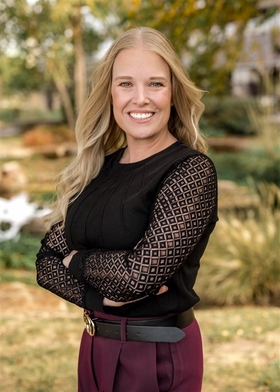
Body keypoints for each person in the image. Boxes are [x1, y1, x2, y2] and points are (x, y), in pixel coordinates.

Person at [36, 26, 218, 392]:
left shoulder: (190, 171)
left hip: (158, 354)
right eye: (125, 84)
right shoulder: (98, 170)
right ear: (109, 93)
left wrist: (77, 260)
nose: (141, 99)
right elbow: (44, 263)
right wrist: (97, 295)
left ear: (173, 93)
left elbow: (139, 278)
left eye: (155, 84)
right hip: (94, 346)